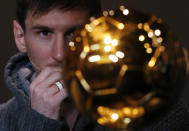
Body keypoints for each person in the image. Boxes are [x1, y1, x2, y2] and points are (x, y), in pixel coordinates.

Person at [0, 0, 189, 131]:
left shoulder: (151, 110)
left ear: (98, 30)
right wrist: (39, 123)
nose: (60, 54)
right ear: (20, 37)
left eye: (73, 33)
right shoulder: (2, 121)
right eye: (44, 33)